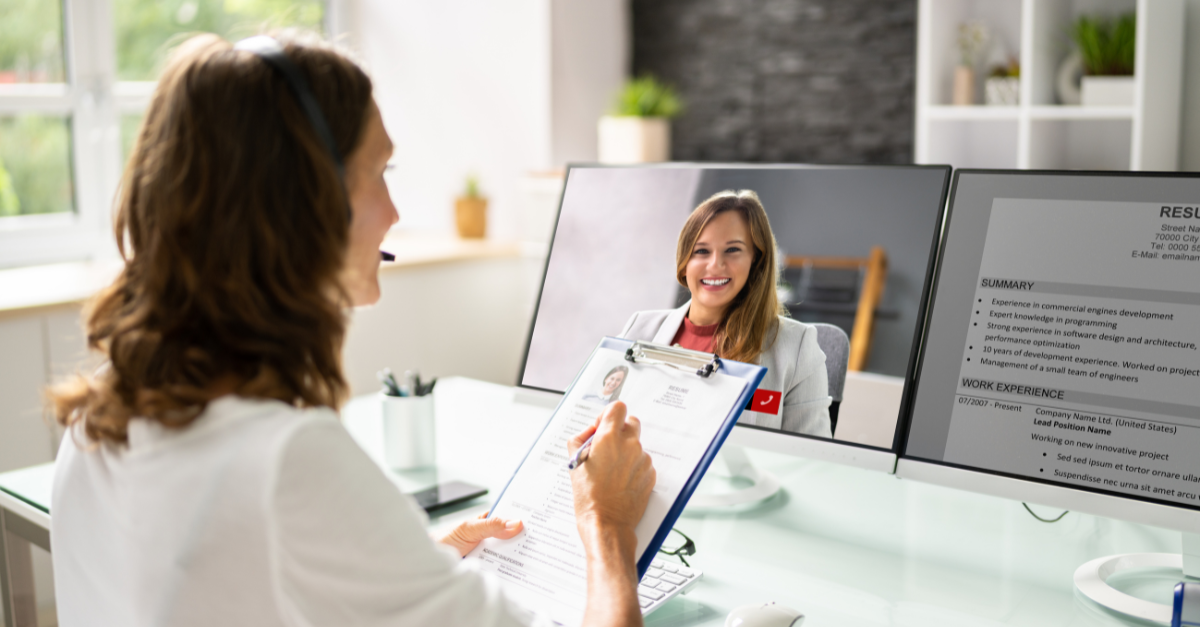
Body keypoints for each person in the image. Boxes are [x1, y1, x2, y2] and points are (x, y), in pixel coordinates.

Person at [48, 32, 654, 627]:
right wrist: (607, 522)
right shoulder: (287, 460)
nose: (394, 212)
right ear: (304, 203)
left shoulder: (98, 417)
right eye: (379, 171)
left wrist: (416, 565)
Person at [620, 190, 832, 436]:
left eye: (732, 250)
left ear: (756, 259)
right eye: (701, 251)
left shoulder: (797, 347)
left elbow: (809, 456)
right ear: (684, 260)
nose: (715, 265)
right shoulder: (640, 327)